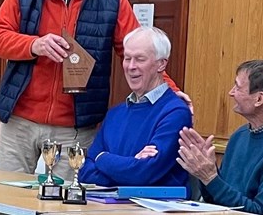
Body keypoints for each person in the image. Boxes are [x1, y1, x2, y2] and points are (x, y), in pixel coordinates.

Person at [0, 0, 192, 181]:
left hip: (75, 127)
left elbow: (140, 50)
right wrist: (35, 44)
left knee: (64, 206)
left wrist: (172, 92)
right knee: (4, 201)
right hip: (19, 122)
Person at [78, 27, 192, 189]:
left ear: (161, 64)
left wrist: (102, 158)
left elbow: (143, 174)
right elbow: (85, 172)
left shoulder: (175, 113)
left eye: (140, 59)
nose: (131, 66)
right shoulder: (114, 114)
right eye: (127, 58)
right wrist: (129, 168)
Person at [176, 60, 263, 214]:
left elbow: (261, 212)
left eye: (237, 87)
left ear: (259, 99)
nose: (231, 92)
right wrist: (205, 173)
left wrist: (210, 178)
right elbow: (216, 201)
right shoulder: (239, 136)